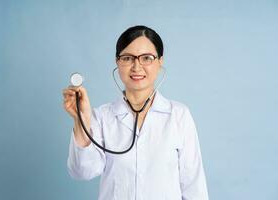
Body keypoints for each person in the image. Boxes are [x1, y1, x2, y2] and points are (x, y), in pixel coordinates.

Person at [62, 25, 209, 200]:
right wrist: (81, 121)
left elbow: (194, 187)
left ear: (160, 62)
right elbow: (82, 172)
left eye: (146, 58)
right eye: (128, 58)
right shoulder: (103, 116)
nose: (136, 66)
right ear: (118, 62)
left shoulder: (179, 115)